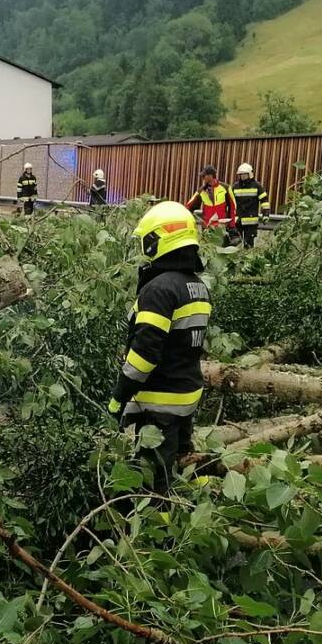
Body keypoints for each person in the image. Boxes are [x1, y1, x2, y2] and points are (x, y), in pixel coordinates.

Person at [108, 201, 210, 487]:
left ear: (158, 240)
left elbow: (145, 354)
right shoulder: (197, 286)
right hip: (185, 397)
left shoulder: (161, 289)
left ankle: (160, 528)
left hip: (160, 403)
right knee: (178, 468)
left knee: (155, 483)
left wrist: (119, 396)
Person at [186, 166, 236, 240]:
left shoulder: (225, 187)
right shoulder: (201, 191)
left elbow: (233, 206)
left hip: (222, 226)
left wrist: (232, 225)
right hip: (207, 227)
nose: (202, 178)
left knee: (221, 249)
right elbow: (189, 206)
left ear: (211, 176)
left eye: (204, 175)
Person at [232, 162, 270, 249]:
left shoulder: (257, 186)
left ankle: (247, 261)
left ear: (250, 174)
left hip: (251, 221)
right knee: (235, 244)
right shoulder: (235, 186)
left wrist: (266, 215)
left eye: (244, 174)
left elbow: (264, 201)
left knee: (248, 245)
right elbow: (230, 202)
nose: (243, 176)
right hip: (238, 221)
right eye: (241, 175)